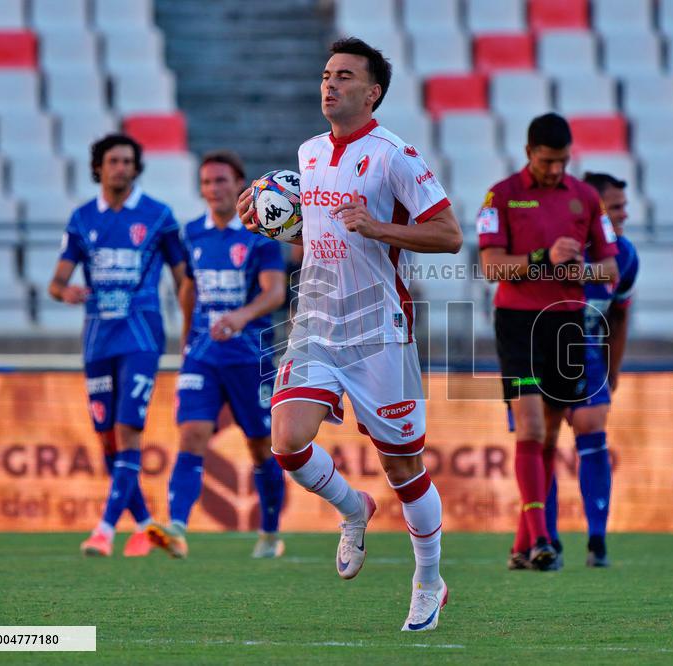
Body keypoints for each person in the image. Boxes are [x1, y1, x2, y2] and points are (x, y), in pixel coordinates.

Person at [236, 37, 462, 631]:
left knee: (405, 468)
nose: (329, 84)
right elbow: (320, 242)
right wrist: (269, 221)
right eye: (326, 75)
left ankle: (428, 581)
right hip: (315, 321)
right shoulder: (309, 154)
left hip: (378, 329)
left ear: (372, 92)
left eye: (344, 76)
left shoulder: (394, 155)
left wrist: (382, 227)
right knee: (286, 440)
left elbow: (449, 235)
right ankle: (353, 509)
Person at [478, 113, 619, 572]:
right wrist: (544, 259)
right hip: (519, 321)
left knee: (550, 438)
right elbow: (492, 266)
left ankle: (523, 546)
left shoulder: (586, 199)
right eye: (547, 161)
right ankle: (542, 540)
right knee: (532, 429)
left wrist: (578, 272)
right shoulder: (501, 196)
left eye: (562, 161)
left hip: (566, 323)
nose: (556, 170)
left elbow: (609, 272)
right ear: (528, 154)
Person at [48, 133, 187, 557]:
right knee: (107, 437)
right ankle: (145, 525)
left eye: (127, 161)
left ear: (135, 167)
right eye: (113, 161)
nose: (120, 168)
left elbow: (184, 278)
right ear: (98, 168)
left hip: (141, 337)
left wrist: (191, 324)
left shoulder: (158, 216)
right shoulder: (82, 218)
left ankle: (104, 530)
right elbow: (57, 282)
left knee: (128, 430)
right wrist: (64, 292)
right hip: (97, 338)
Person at [145, 151, 288, 559]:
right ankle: (176, 527)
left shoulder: (261, 234)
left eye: (222, 181)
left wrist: (241, 316)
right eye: (207, 182)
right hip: (203, 356)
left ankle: (270, 534)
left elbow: (275, 291)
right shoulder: (192, 234)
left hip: (251, 355)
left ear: (240, 185)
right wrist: (187, 340)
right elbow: (187, 289)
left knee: (262, 446)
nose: (214, 189)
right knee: (191, 434)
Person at [544, 172, 639, 568]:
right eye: (616, 207)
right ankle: (544, 539)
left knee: (592, 429)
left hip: (586, 354)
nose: (625, 215)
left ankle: (597, 539)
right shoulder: (551, 245)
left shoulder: (625, 255)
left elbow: (619, 317)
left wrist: (613, 371)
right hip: (536, 350)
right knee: (539, 443)